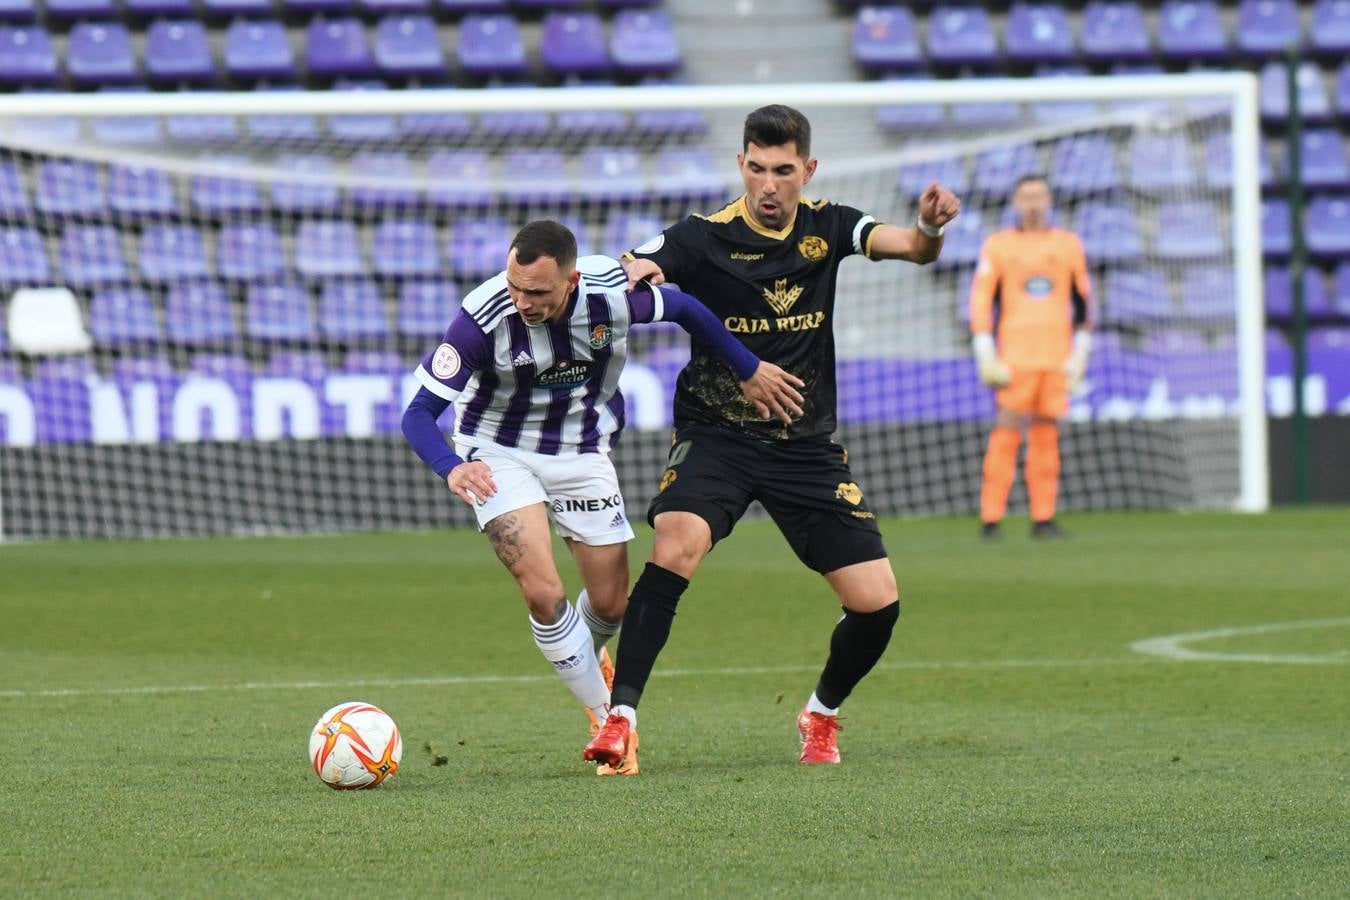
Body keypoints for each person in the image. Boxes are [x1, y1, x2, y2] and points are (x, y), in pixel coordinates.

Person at [582, 105, 961, 770]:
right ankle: (620, 718)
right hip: (717, 435)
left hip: (804, 445)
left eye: (783, 171)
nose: (768, 185)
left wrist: (929, 225)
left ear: (807, 171)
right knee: (677, 543)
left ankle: (821, 715)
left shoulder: (831, 226)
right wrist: (636, 268)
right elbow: (639, 262)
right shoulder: (703, 237)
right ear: (741, 165)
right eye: (757, 168)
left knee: (876, 605)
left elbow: (916, 250)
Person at [402, 220, 803, 775]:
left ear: (571, 280)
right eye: (516, 286)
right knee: (543, 591)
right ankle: (607, 721)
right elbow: (417, 414)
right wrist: (452, 467)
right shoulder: (483, 316)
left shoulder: (611, 293)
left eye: (538, 292)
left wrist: (748, 368)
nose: (523, 301)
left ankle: (591, 665)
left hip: (582, 452)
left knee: (613, 603)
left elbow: (686, 309)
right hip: (496, 452)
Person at [968, 174, 1094, 541]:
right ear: (1015, 202)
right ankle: (991, 518)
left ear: (1049, 200)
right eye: (1026, 197)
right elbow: (981, 298)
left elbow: (1083, 299)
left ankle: (1044, 517)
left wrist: (1081, 350)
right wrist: (985, 349)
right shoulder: (999, 246)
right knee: (1006, 433)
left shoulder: (1068, 244)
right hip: (1016, 358)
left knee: (1046, 436)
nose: (1034, 203)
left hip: (1056, 357)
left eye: (1039, 196)